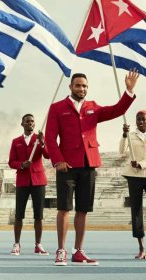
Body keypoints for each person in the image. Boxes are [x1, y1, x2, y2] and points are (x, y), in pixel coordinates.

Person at [45, 70, 139, 266]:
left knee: (83, 210)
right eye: (78, 85)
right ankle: (60, 250)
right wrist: (58, 160)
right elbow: (50, 138)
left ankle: (78, 251)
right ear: (70, 86)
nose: (82, 89)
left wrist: (128, 91)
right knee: (63, 209)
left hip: (89, 164)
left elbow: (116, 110)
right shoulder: (57, 108)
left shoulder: (93, 108)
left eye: (85, 86)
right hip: (66, 167)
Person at [8, 114, 49, 256]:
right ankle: (17, 244)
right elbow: (11, 162)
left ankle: (38, 244)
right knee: (19, 214)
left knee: (39, 215)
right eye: (27, 121)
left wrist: (42, 143)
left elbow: (48, 155)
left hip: (38, 180)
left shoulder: (39, 139)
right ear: (22, 124)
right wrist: (22, 165)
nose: (30, 123)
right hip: (23, 181)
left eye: (32, 121)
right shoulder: (16, 141)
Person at [119, 111, 146, 259]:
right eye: (138, 119)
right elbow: (121, 151)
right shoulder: (131, 135)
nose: (141, 122)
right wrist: (124, 135)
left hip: (144, 171)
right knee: (136, 211)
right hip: (133, 177)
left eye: (143, 119)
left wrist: (141, 164)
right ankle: (141, 248)